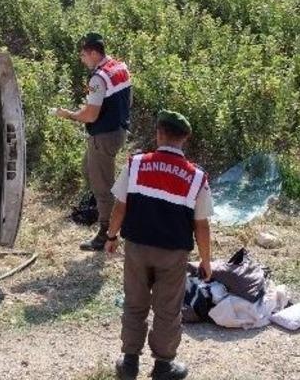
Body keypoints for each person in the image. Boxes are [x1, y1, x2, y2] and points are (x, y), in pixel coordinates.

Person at [105, 110, 213, 380]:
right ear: (185, 138)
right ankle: (163, 366)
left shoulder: (136, 164)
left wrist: (111, 236)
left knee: (134, 302)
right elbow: (201, 225)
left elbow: (120, 207)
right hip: (173, 253)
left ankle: (129, 363)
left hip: (137, 248)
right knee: (168, 309)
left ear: (159, 134)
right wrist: (206, 260)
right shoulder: (197, 177)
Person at [54, 32, 132, 251]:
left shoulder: (98, 78)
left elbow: (90, 115)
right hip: (118, 130)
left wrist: (68, 114)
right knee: (88, 169)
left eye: (83, 55)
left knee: (102, 186)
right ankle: (107, 211)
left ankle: (107, 232)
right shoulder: (120, 67)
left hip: (104, 136)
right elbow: (127, 100)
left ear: (93, 53)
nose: (82, 59)